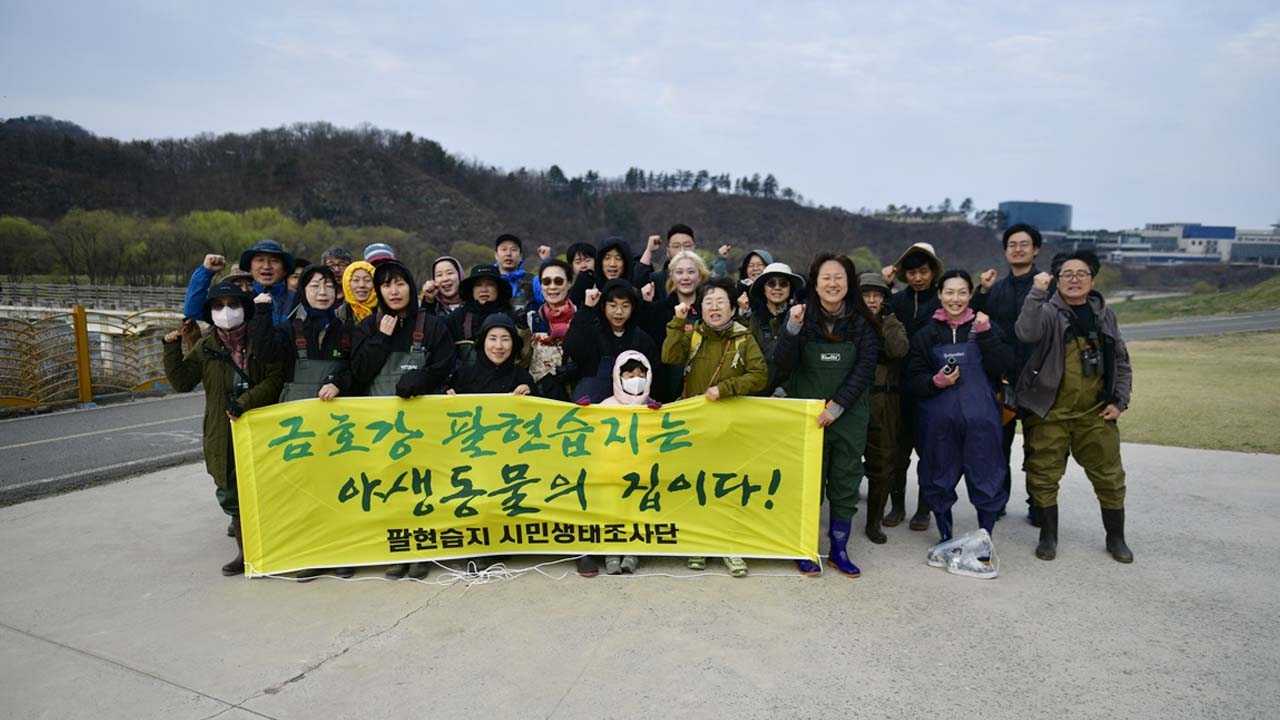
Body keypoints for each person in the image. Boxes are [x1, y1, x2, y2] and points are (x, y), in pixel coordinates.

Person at [1015, 251, 1133, 563]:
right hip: (1050, 412)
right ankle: (1048, 536)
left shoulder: (1104, 314)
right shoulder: (1048, 311)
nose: (1075, 279)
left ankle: (1116, 538)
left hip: (1095, 412)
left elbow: (1121, 359)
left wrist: (1119, 401)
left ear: (1093, 279)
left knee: (1109, 476)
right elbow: (1026, 332)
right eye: (1067, 274)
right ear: (1057, 280)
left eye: (1081, 273)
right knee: (1043, 475)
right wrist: (1036, 293)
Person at [162, 280, 285, 576]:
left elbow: (276, 377)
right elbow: (182, 382)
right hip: (222, 430)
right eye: (219, 306)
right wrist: (170, 349)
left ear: (245, 308)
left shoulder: (261, 339)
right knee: (230, 490)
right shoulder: (206, 347)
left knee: (269, 486)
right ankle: (247, 552)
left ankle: (276, 546)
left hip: (260, 427)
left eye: (233, 305)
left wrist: (246, 401)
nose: (226, 312)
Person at [773, 254, 881, 577]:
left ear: (849, 284)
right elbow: (782, 363)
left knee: (846, 481)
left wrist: (837, 406)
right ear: (815, 284)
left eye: (839, 278)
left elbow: (864, 370)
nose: (832, 284)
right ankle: (805, 547)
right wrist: (790, 329)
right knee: (809, 482)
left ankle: (839, 549)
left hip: (847, 416)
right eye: (826, 278)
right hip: (808, 417)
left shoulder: (862, 324)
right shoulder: (802, 318)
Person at [350, 261, 457, 580]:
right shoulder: (368, 326)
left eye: (399, 283)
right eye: (385, 285)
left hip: (423, 423)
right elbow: (358, 373)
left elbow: (445, 365)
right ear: (378, 291)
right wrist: (381, 339)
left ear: (411, 286)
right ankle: (398, 549)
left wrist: (421, 380)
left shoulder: (433, 324)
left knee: (423, 486)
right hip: (381, 425)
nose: (393, 291)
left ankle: (422, 550)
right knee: (388, 487)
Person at [252, 264, 356, 581]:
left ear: (337, 292)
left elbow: (357, 367)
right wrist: (260, 316)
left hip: (337, 423)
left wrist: (339, 381)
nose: (322, 292)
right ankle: (310, 552)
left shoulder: (346, 330)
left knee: (337, 486)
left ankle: (341, 551)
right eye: (314, 286)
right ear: (303, 292)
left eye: (327, 286)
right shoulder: (287, 329)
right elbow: (264, 352)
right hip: (297, 423)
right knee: (303, 488)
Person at [663, 277, 768, 577]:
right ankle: (698, 544)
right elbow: (669, 356)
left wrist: (727, 388)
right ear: (700, 308)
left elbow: (760, 376)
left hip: (730, 426)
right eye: (708, 302)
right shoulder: (692, 335)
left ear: (733, 308)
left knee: (726, 486)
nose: (714, 307)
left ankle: (729, 547)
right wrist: (676, 322)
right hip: (694, 426)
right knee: (697, 485)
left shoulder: (744, 339)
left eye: (721, 301)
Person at [904, 270, 1013, 547]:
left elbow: (1004, 363)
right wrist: (934, 381)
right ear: (940, 294)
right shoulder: (926, 334)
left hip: (982, 420)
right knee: (938, 477)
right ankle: (945, 536)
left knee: (986, 477)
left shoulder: (985, 327)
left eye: (962, 292)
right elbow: (912, 377)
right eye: (949, 292)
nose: (955, 299)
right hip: (939, 422)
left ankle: (985, 538)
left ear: (970, 295)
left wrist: (986, 335)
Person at [974, 223, 1046, 525]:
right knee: (997, 446)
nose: (1018, 248)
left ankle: (1040, 505)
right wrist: (983, 291)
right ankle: (998, 500)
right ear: (1005, 251)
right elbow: (973, 319)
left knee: (1040, 448)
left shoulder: (1045, 286)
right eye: (1012, 244)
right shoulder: (998, 288)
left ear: (1036, 249)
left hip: (1037, 380)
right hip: (1002, 381)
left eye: (1024, 244)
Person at [881, 241, 944, 532]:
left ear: (933, 272)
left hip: (933, 388)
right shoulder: (897, 301)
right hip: (898, 388)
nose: (918, 278)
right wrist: (885, 285)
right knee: (897, 452)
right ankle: (897, 506)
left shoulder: (943, 301)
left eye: (923, 271)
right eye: (912, 272)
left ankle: (923, 509)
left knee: (929, 453)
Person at [589, 351, 661, 575]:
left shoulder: (654, 407)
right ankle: (612, 551)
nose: (636, 379)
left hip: (641, 471)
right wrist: (584, 414)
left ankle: (632, 551)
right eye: (630, 375)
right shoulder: (606, 405)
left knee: (637, 509)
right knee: (613, 509)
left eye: (641, 374)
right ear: (618, 378)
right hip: (612, 472)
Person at [857, 271, 909, 544]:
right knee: (844, 462)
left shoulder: (892, 323)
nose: (872, 300)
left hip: (885, 401)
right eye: (866, 295)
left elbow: (899, 350)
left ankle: (873, 522)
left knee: (883, 463)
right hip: (854, 398)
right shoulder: (848, 321)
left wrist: (886, 323)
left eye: (877, 295)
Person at [563, 279, 659, 403]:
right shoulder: (592, 334)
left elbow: (655, 374)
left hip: (632, 410)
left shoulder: (642, 339)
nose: (619, 312)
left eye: (625, 306)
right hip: (594, 407)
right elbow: (571, 347)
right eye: (613, 306)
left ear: (633, 308)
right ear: (603, 307)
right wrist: (586, 309)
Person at [184, 239, 296, 326]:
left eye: (274, 260)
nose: (266, 266)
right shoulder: (240, 300)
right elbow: (193, 311)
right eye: (260, 260)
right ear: (250, 268)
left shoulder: (298, 301)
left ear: (284, 269)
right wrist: (205, 271)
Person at [445, 265, 525, 368]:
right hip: (465, 380)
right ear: (471, 290)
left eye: (490, 284)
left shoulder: (512, 317)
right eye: (478, 285)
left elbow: (522, 356)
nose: (484, 290)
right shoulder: (456, 317)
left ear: (498, 289)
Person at [746, 262, 804, 395]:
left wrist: (786, 388)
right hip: (754, 396)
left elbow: (805, 362)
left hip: (790, 398)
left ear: (791, 289)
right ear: (763, 289)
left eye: (783, 283)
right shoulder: (753, 320)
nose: (777, 288)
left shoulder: (800, 318)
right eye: (771, 283)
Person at [446, 313, 535, 396]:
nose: (498, 346)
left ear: (514, 343)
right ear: (483, 341)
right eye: (492, 339)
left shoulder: (523, 378)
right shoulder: (462, 376)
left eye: (505, 339)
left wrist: (530, 393)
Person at [527, 258, 579, 400]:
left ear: (569, 283)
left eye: (558, 281)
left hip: (574, 398)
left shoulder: (582, 319)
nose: (552, 287)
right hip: (537, 397)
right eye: (546, 281)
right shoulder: (531, 320)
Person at [633, 224, 696, 300]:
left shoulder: (703, 279)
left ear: (694, 248)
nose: (682, 251)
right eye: (676, 246)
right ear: (668, 252)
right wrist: (649, 250)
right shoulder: (657, 280)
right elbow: (638, 283)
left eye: (687, 245)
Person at [494, 233, 543, 314]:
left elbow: (551, 301)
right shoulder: (489, 280)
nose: (508, 254)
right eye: (504, 249)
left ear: (520, 256)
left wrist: (547, 261)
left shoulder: (533, 281)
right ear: (496, 255)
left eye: (513, 250)